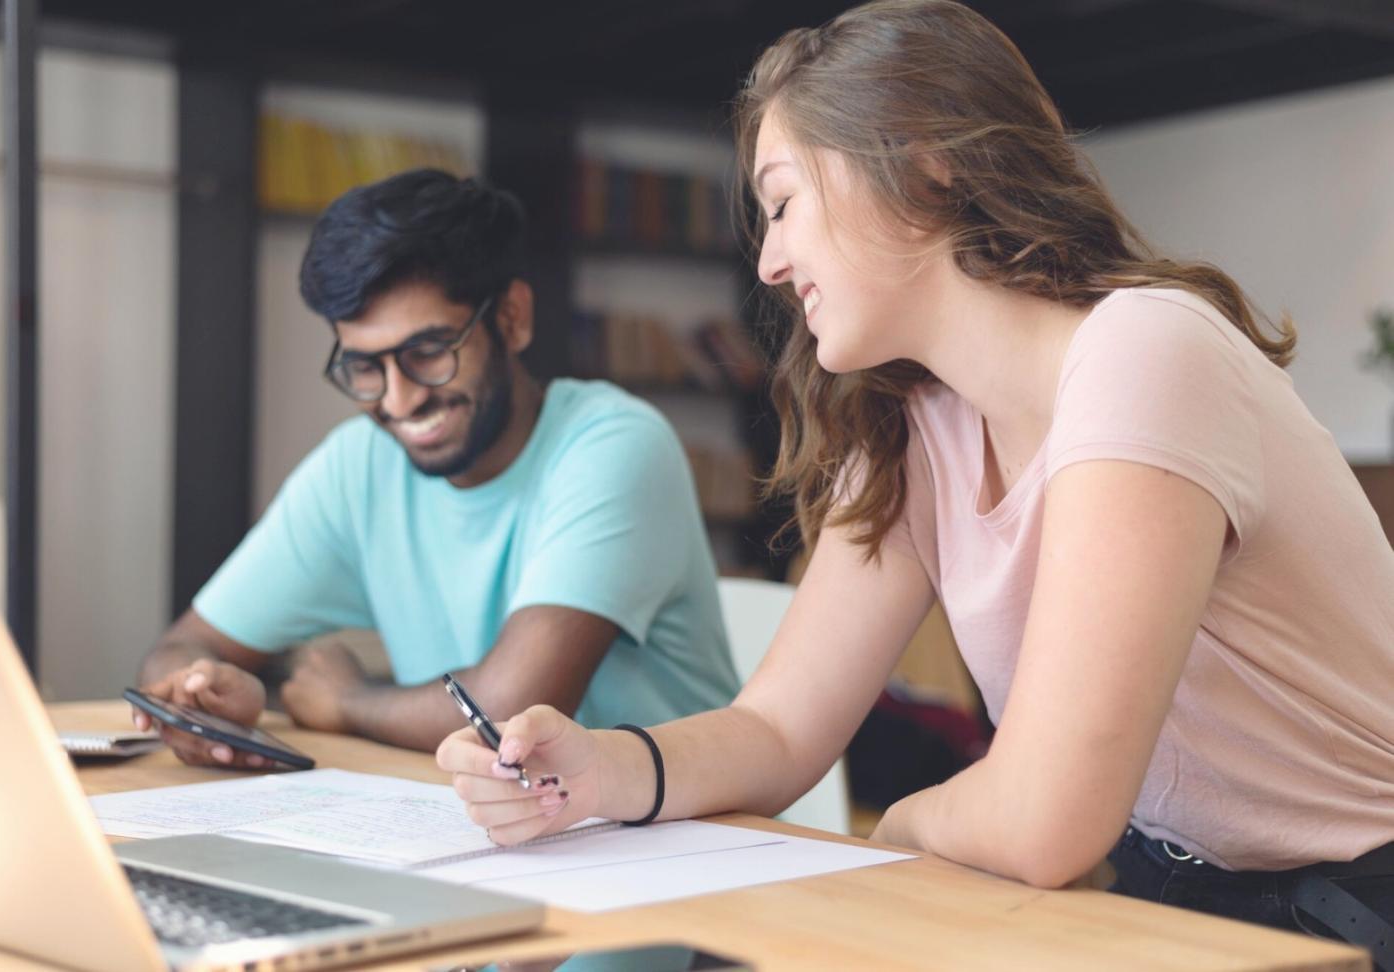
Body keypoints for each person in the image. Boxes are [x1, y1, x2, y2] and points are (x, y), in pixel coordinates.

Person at [438, 0, 1394, 960]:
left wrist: (897, 829)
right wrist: (595, 772)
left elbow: (1043, 820)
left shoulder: (1144, 350)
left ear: (924, 160)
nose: (769, 261)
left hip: (1364, 905)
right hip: (1180, 894)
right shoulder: (912, 422)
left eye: (782, 203)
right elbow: (777, 729)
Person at [132, 168, 740, 765]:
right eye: (366, 367)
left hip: (694, 845)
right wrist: (198, 696)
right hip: (502, 833)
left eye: (428, 352)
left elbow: (513, 711)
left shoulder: (614, 445)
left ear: (512, 319)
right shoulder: (358, 467)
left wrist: (349, 701)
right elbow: (182, 645)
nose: (399, 401)